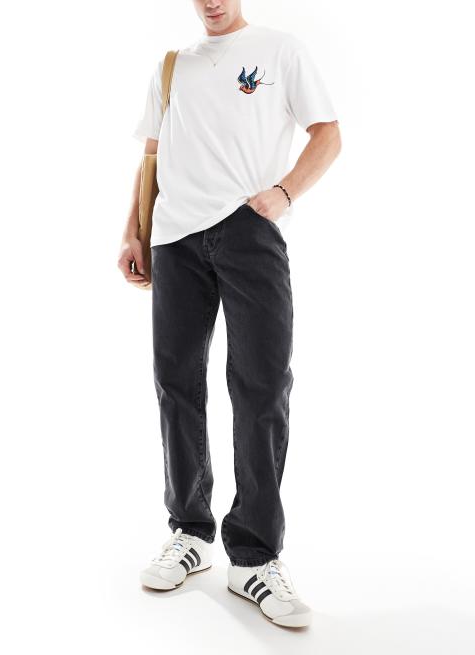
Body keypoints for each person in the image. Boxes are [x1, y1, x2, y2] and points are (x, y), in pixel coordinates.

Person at [118, 0, 341, 628]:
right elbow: (151, 156)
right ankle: (190, 531)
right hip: (174, 238)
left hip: (249, 231)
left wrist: (284, 193)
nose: (211, 1)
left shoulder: (280, 50)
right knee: (176, 382)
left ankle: (254, 556)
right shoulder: (173, 65)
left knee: (262, 384)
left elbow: (328, 133)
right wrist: (133, 230)